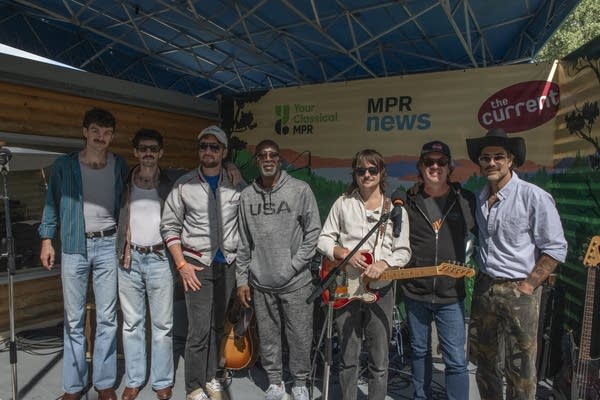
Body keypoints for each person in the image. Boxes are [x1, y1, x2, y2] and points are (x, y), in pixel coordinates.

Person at [465, 128, 568, 400]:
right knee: (484, 364)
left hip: (519, 290)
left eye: (498, 156)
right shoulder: (479, 196)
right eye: (485, 158)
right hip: (485, 286)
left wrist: (529, 285)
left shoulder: (533, 196)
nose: (491, 163)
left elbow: (556, 247)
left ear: (511, 160)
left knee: (520, 367)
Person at [39, 107, 129, 400]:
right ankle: (74, 387)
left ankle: (104, 383)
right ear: (84, 132)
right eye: (96, 131)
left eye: (107, 133)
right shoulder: (64, 166)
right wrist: (46, 239)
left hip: (108, 245)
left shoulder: (119, 165)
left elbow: (141, 187)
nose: (101, 137)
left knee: (106, 317)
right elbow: (51, 203)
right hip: (75, 246)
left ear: (111, 136)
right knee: (74, 318)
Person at [317, 149, 411, 400]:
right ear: (354, 174)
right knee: (348, 356)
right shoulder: (343, 203)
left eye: (372, 170)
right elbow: (324, 239)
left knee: (379, 359)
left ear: (381, 173)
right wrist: (342, 252)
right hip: (346, 286)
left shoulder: (395, 209)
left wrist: (385, 263)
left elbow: (403, 251)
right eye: (361, 170)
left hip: (381, 289)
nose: (367, 175)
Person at [161, 125, 244, 400]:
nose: (208, 151)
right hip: (197, 265)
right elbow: (169, 227)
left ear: (224, 152)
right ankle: (193, 386)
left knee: (219, 326)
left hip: (228, 265)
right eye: (203, 146)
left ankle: (210, 377)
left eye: (214, 147)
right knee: (198, 329)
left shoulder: (235, 183)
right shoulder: (184, 184)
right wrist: (181, 265)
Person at [236, 139, 321, 400]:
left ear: (280, 159)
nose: (268, 159)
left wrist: (294, 266)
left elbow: (313, 232)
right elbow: (243, 241)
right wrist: (242, 279)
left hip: (296, 283)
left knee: (299, 336)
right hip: (261, 283)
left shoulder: (299, 190)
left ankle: (299, 383)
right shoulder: (247, 196)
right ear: (257, 160)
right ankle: (275, 382)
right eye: (263, 155)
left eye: (273, 154)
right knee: (268, 335)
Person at [401, 141, 476, 400]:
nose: (435, 167)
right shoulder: (407, 199)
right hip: (415, 292)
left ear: (449, 166)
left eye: (441, 162)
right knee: (419, 351)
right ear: (420, 167)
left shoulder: (465, 200)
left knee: (455, 359)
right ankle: (421, 396)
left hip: (450, 296)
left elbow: (483, 235)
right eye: (429, 162)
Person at [116, 129, 175, 400]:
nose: (148, 153)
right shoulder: (124, 180)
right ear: (136, 152)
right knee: (132, 324)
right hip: (130, 258)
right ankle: (135, 378)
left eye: (153, 148)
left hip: (160, 258)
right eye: (143, 148)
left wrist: (231, 165)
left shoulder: (171, 182)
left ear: (160, 152)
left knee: (162, 325)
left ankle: (162, 380)